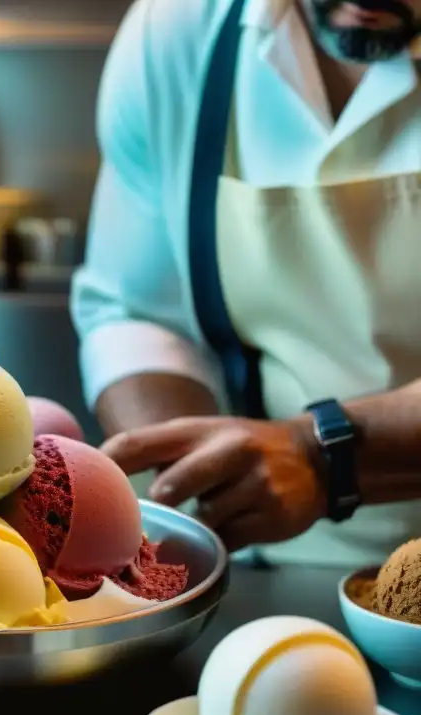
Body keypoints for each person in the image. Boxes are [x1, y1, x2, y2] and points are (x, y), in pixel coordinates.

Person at [72, 0, 421, 566]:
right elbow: (135, 312)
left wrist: (322, 454)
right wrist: (194, 475)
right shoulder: (177, 35)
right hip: (250, 563)